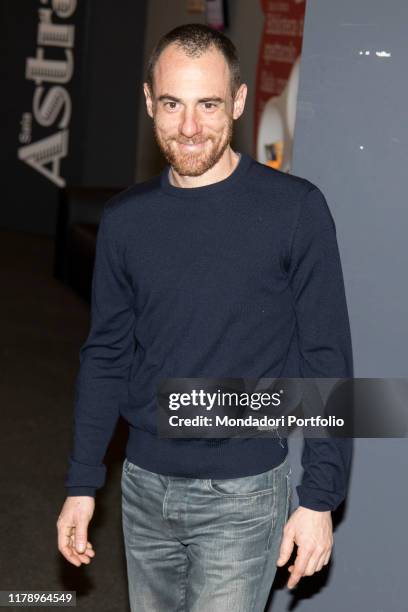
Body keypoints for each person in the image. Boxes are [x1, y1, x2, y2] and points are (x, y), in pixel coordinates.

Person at [56, 23, 353, 612]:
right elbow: (107, 356)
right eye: (173, 104)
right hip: (142, 489)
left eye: (208, 104)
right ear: (149, 102)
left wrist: (319, 499)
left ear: (239, 103)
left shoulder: (296, 211)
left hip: (243, 497)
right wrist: (82, 483)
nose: (189, 127)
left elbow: (326, 359)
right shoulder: (126, 220)